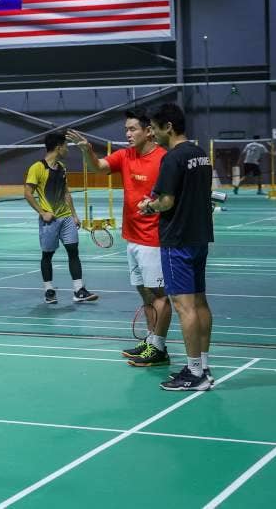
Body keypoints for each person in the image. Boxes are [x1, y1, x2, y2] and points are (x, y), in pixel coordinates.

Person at [68, 110, 171, 366]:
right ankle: (151, 341)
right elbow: (98, 168)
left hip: (154, 239)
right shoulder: (125, 155)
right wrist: (86, 151)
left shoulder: (163, 159)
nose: (128, 134)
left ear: (149, 131)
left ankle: (159, 348)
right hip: (133, 237)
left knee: (159, 294)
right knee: (145, 293)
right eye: (126, 130)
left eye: (133, 129)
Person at [139, 103, 215, 391]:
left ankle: (195, 373)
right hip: (199, 237)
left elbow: (166, 201)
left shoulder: (172, 158)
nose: (153, 134)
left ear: (167, 127)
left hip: (177, 241)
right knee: (200, 302)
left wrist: (149, 207)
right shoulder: (200, 155)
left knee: (185, 307)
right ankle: (203, 364)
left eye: (154, 129)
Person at [24, 133, 98, 306]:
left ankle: (79, 290)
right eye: (65, 146)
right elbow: (27, 193)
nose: (67, 150)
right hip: (49, 220)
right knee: (47, 255)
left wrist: (74, 215)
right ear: (58, 147)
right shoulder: (37, 168)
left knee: (73, 251)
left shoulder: (62, 167)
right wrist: (42, 213)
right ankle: (49, 290)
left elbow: (65, 192)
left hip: (66, 218)